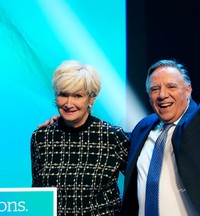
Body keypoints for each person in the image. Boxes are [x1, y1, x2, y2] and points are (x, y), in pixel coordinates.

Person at [40, 11, 200, 216]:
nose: (162, 95)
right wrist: (64, 122)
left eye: (171, 87)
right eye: (155, 89)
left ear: (188, 90)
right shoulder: (143, 128)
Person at [30, 60, 130, 215]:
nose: (69, 103)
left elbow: (141, 185)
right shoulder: (41, 138)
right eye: (63, 95)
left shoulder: (113, 137)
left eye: (78, 96)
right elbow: (37, 192)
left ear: (91, 99)